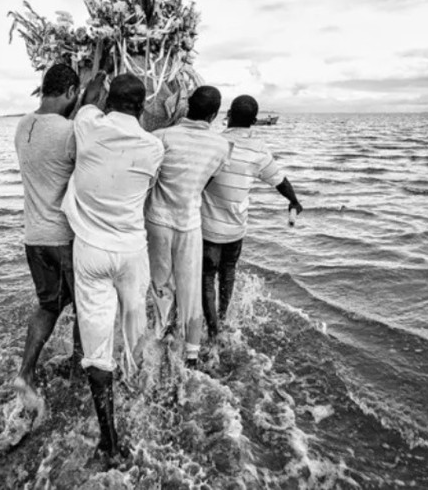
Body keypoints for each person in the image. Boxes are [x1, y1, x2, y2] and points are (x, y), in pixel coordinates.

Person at [62, 73, 164, 463]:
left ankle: (109, 439)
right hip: (132, 252)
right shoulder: (154, 147)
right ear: (142, 106)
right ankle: (141, 390)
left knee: (97, 347)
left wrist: (97, 84)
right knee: (135, 324)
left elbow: (87, 99)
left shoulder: (88, 124)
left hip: (91, 252)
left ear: (109, 102)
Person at [200, 94, 303, 339]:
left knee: (207, 276)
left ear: (228, 115)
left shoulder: (214, 143)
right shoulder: (259, 150)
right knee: (228, 272)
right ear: (254, 121)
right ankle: (223, 319)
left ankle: (212, 330)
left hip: (208, 227)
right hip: (236, 228)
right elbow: (279, 180)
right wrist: (294, 201)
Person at [11, 63, 83, 410]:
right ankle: (79, 369)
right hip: (63, 238)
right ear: (70, 92)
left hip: (34, 237)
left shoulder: (22, 125)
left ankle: (25, 373)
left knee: (48, 305)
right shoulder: (70, 132)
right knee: (84, 305)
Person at [146, 86, 231, 368]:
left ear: (186, 106)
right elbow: (206, 181)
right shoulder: (221, 146)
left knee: (161, 284)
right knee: (191, 287)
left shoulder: (161, 137)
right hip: (190, 223)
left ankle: (160, 340)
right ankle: (192, 355)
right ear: (214, 115)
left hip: (157, 221)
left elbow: (150, 178)